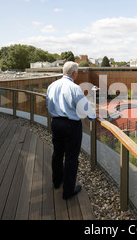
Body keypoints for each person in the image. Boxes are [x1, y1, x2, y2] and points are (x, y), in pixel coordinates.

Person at [46, 62, 96, 200]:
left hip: (55, 122)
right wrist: (91, 117)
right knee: (71, 158)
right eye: (77, 72)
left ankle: (57, 182)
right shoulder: (74, 87)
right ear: (74, 73)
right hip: (71, 125)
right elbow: (84, 106)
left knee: (57, 153)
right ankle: (68, 191)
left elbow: (48, 104)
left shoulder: (52, 86)